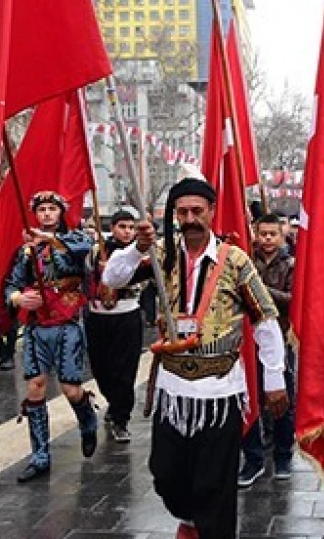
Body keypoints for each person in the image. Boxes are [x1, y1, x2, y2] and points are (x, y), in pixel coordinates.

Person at [103, 176, 288, 539]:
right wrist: (136, 249)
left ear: (211, 212)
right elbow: (112, 276)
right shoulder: (159, 254)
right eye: (182, 211)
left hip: (220, 391)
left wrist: (275, 379)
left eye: (197, 211)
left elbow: (266, 321)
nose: (190, 218)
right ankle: (189, 520)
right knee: (165, 473)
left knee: (214, 485)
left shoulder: (235, 260)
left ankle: (208, 530)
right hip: (173, 391)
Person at [5, 191, 97, 483]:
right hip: (36, 326)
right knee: (35, 388)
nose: (46, 214)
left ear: (61, 213)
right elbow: (11, 284)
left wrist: (49, 241)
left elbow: (83, 252)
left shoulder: (76, 239)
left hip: (67, 322)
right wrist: (19, 298)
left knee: (70, 388)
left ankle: (87, 418)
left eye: (51, 209)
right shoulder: (26, 250)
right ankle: (40, 456)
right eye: (41, 209)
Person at [238, 213, 297, 488]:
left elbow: (293, 300)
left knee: (281, 400)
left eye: (273, 234)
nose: (268, 239)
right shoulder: (244, 261)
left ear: (282, 236)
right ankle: (253, 458)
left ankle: (283, 454)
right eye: (263, 234)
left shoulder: (291, 264)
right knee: (248, 399)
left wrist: (260, 291)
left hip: (280, 340)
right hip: (246, 342)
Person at [86, 210, 146, 444]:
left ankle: (121, 419)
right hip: (97, 315)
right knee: (100, 368)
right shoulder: (95, 250)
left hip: (127, 314)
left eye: (131, 227)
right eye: (122, 226)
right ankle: (113, 401)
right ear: (112, 227)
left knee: (125, 370)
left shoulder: (138, 254)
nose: (127, 232)